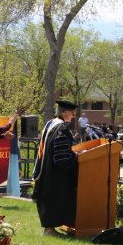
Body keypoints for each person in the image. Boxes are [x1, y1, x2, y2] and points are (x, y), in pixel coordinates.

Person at [32, 100, 78, 236]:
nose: (74, 115)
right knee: (54, 198)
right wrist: (74, 158)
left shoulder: (51, 123)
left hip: (46, 169)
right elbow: (61, 157)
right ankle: (50, 230)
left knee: (50, 198)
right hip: (55, 172)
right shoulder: (62, 128)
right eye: (72, 112)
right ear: (64, 113)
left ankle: (50, 228)